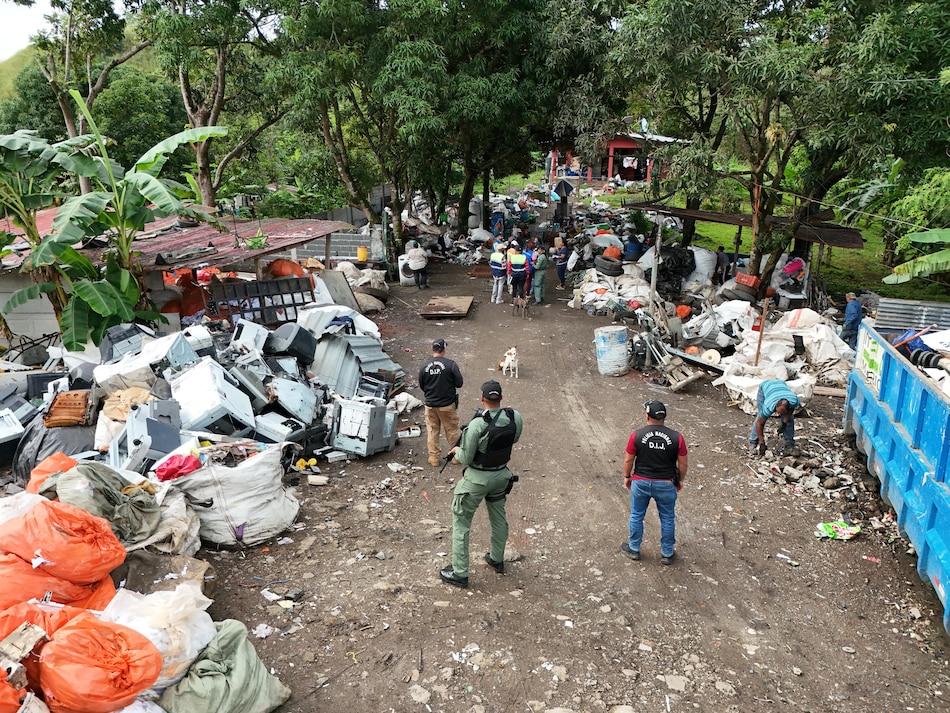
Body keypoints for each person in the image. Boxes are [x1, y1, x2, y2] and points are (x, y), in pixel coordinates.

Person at [440, 380, 523, 588]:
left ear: (482, 398)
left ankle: (460, 573)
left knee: (461, 523)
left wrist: (456, 451)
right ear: (501, 397)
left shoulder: (477, 424)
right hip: (501, 476)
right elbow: (513, 439)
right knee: (498, 517)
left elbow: (466, 458)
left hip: (477, 479)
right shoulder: (514, 417)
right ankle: (496, 559)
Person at [620, 400, 688, 565]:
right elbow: (683, 464)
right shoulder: (677, 438)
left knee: (637, 515)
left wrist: (627, 476)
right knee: (667, 518)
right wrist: (680, 480)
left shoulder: (636, 435)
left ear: (647, 416)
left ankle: (634, 549)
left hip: (641, 482)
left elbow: (628, 460)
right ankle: (667, 553)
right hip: (666, 483)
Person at [418, 338, 464, 467]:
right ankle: (455, 457)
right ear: (444, 350)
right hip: (447, 405)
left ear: (432, 349)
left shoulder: (424, 366)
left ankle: (434, 458)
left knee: (432, 431)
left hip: (430, 405)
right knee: (452, 430)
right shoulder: (451, 365)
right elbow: (459, 383)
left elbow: (422, 385)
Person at [748, 379, 800, 456]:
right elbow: (760, 423)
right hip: (765, 387)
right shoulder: (768, 406)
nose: (778, 414)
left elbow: (791, 409)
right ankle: (753, 442)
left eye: (781, 413)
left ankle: (789, 445)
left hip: (780, 385)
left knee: (789, 419)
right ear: (775, 406)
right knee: (760, 417)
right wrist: (762, 442)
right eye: (777, 412)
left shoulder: (794, 400)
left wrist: (784, 422)